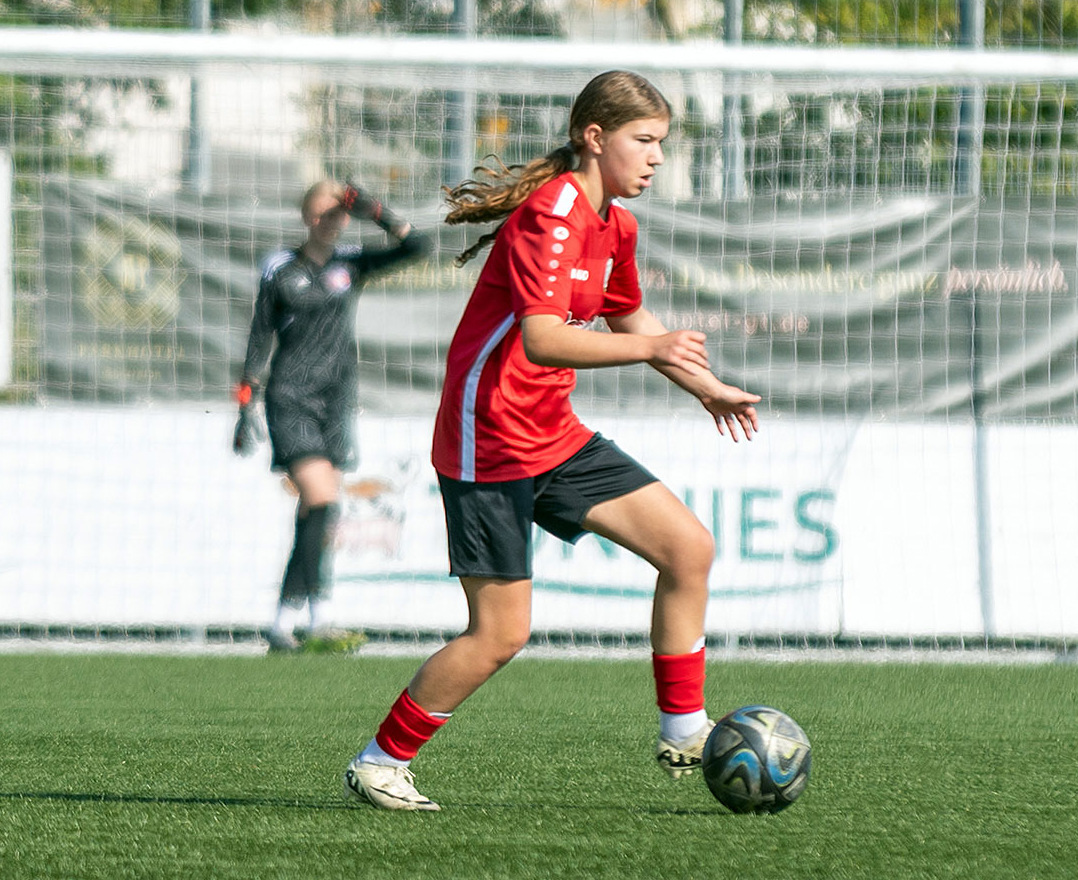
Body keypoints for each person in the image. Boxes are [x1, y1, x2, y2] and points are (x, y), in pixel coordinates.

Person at [342, 70, 761, 811]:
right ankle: (381, 760)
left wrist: (707, 388)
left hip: (552, 432)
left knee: (688, 549)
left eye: (662, 142)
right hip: (488, 437)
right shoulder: (551, 213)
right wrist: (655, 349)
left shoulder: (617, 226)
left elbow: (632, 324)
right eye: (645, 140)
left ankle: (685, 728)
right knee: (500, 635)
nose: (657, 157)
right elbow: (542, 339)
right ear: (594, 138)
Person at [235, 179, 430, 653]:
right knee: (321, 498)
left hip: (337, 401)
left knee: (317, 513)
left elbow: (417, 248)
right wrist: (245, 402)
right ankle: (314, 618)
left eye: (341, 213)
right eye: (326, 212)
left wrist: (375, 211)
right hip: (291, 397)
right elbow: (260, 336)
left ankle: (288, 620)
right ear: (307, 216)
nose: (334, 220)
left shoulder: (351, 263)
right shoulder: (281, 268)